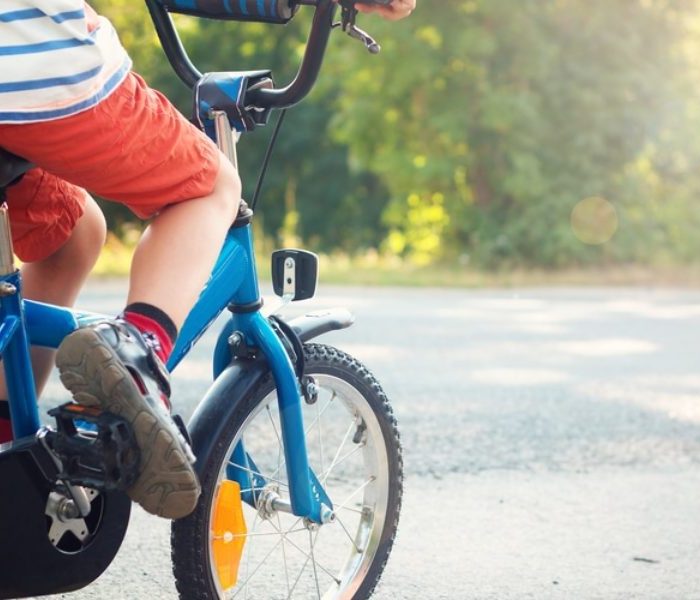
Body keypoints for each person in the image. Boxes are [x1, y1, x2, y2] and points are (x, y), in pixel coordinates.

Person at [0, 0, 415, 519]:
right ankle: (138, 356)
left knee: (72, 234)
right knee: (209, 186)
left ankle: (4, 448)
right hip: (30, 64)